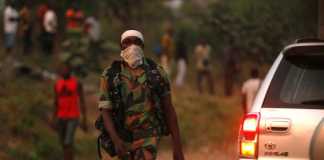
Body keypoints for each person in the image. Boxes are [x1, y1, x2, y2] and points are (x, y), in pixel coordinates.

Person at [98, 30, 185, 160]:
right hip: (123, 137)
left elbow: (169, 109)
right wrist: (115, 140)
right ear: (121, 46)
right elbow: (105, 111)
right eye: (127, 42)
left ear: (142, 46)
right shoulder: (110, 75)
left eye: (136, 42)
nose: (132, 46)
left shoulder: (156, 73)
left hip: (149, 136)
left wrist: (177, 147)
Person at [53, 66, 88, 160]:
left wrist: (84, 120)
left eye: (66, 69)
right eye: (62, 70)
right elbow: (55, 102)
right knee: (63, 143)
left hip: (72, 117)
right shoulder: (57, 84)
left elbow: (82, 102)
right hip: (61, 116)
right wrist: (54, 119)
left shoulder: (76, 83)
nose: (64, 71)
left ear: (70, 71)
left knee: (68, 142)